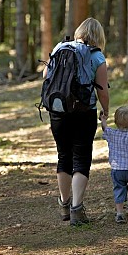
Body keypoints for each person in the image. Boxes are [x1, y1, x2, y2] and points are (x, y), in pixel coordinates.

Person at [43, 18, 109, 226]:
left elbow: (46, 75)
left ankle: (64, 204)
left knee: (64, 156)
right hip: (84, 112)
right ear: (99, 36)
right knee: (81, 158)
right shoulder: (97, 56)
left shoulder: (60, 47)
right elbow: (102, 89)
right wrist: (105, 110)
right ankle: (77, 209)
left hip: (58, 109)